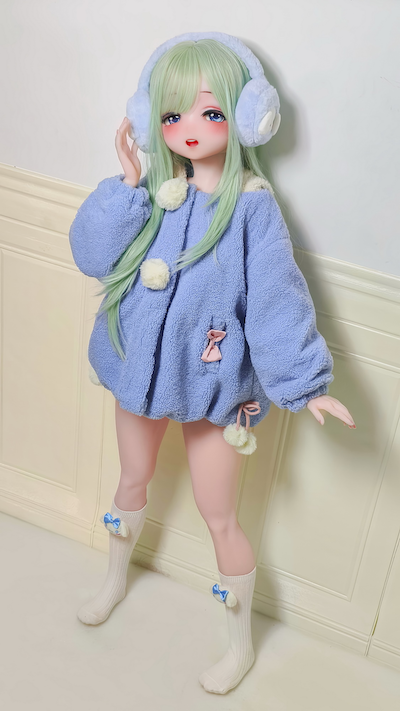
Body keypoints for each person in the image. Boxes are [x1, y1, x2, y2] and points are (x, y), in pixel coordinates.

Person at [69, 32, 356, 695]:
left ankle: (238, 642)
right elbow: (92, 254)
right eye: (172, 114)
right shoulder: (153, 192)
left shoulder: (251, 204)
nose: (189, 128)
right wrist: (128, 183)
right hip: (139, 370)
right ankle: (113, 579)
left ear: (247, 116)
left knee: (218, 511)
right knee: (130, 480)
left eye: (211, 111)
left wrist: (306, 384)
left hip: (213, 381)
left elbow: (276, 298)